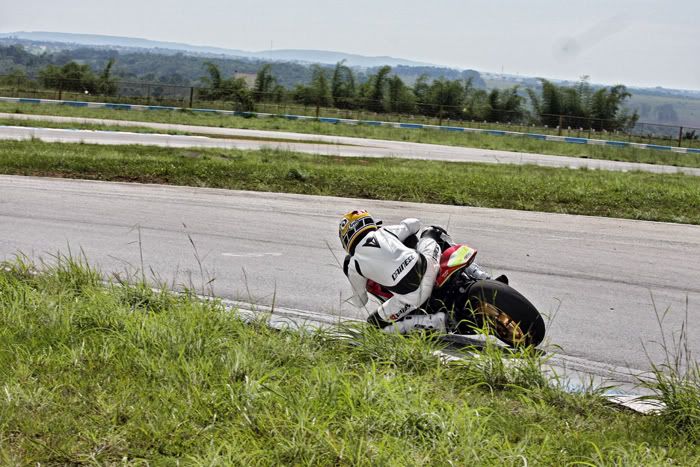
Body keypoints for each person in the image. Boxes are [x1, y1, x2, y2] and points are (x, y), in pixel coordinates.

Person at [339, 209, 450, 334]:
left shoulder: (354, 265)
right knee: (432, 232)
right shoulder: (384, 231)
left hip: (412, 297)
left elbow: (360, 302)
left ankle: (433, 322)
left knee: (373, 324)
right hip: (429, 265)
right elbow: (414, 224)